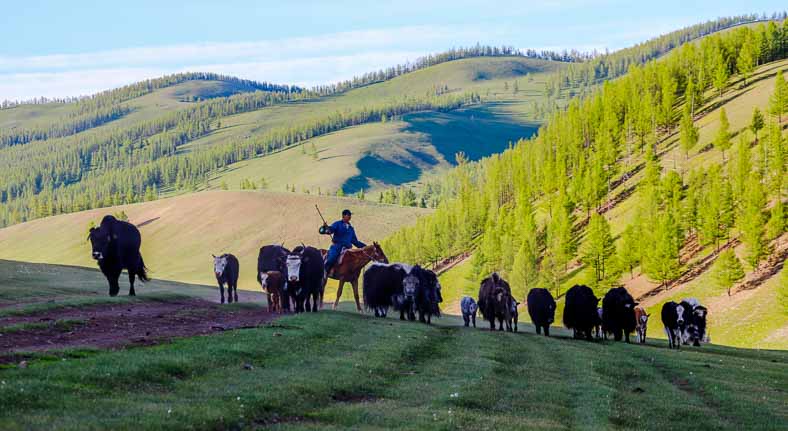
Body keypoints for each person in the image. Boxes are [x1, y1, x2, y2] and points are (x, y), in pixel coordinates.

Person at [321, 209, 365, 276]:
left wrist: (366, 247)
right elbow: (331, 229)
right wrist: (326, 228)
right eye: (348, 215)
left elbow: (355, 241)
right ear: (343, 216)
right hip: (337, 247)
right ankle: (325, 271)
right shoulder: (337, 224)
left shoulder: (351, 228)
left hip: (348, 249)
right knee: (331, 258)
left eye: (350, 215)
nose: (350, 216)